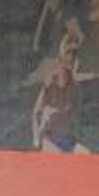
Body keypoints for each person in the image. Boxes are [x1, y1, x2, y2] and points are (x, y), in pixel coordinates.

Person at [30, 23, 84, 152]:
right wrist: (37, 140)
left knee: (86, 155)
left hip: (67, 139)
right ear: (61, 56)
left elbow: (76, 114)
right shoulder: (50, 82)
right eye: (69, 52)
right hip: (49, 138)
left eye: (75, 53)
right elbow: (36, 112)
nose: (71, 57)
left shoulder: (75, 87)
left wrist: (76, 136)